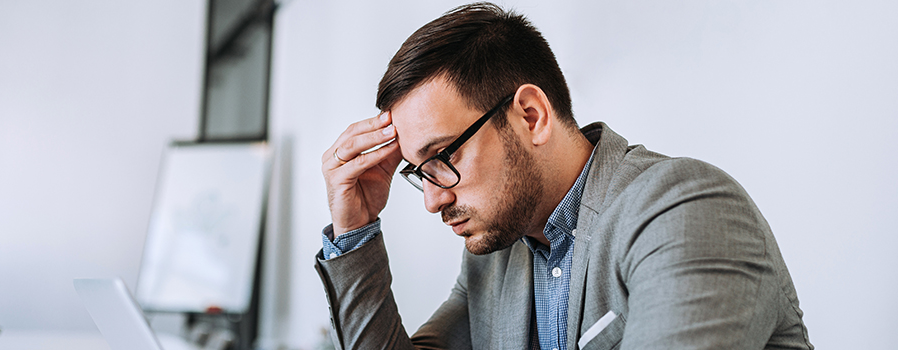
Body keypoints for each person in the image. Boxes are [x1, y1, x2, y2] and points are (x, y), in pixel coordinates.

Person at [315, 3, 813, 350]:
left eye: (443, 156)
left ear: (531, 115)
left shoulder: (685, 210)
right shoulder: (494, 257)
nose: (431, 200)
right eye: (419, 172)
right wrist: (354, 228)